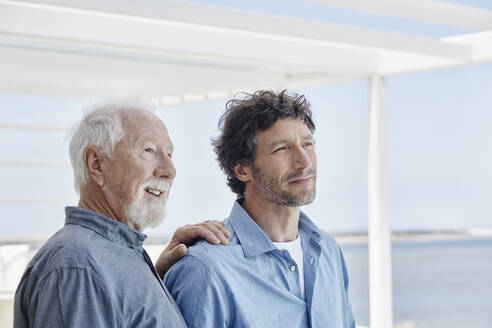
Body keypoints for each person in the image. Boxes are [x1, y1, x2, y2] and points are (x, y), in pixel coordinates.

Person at [14, 101, 230, 327]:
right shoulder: (77, 265)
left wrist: (156, 276)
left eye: (169, 154)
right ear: (96, 164)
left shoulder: (107, 256)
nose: (170, 171)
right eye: (149, 150)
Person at [163, 90, 355, 327]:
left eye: (307, 144)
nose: (304, 161)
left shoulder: (328, 251)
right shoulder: (204, 270)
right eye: (282, 149)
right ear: (242, 169)